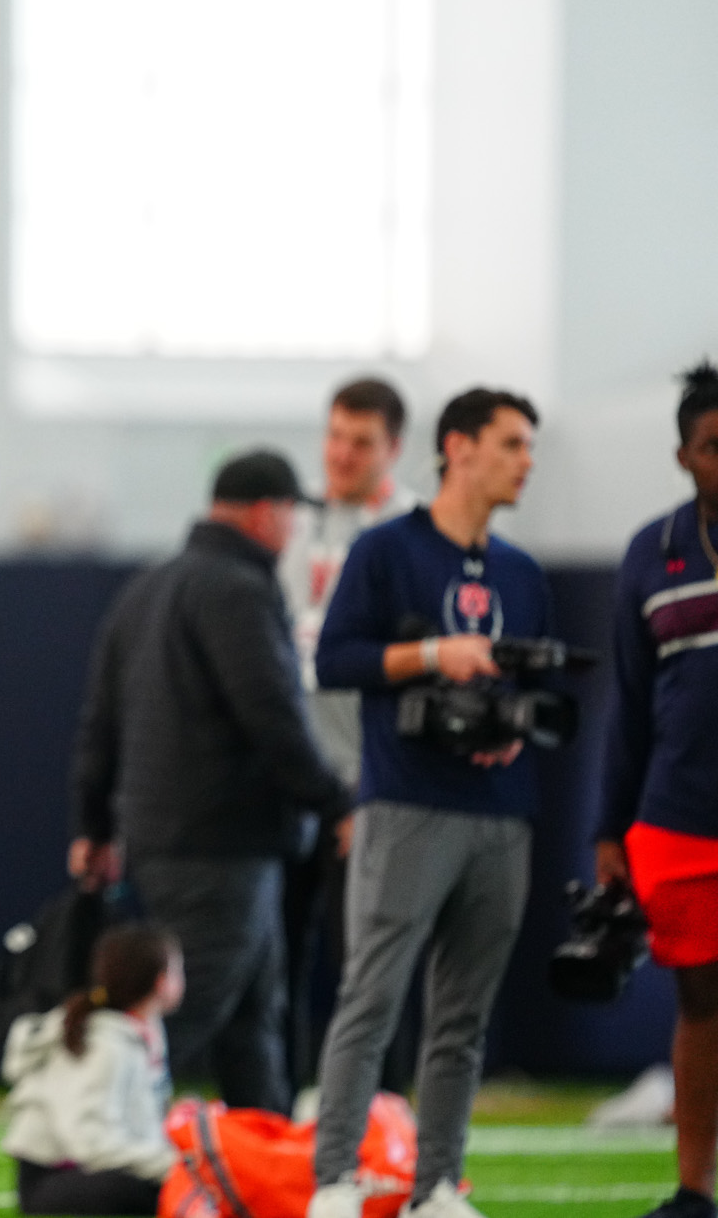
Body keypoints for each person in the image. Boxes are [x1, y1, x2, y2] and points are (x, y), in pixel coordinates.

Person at [306, 388, 552, 1218]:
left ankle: (437, 1187)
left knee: (462, 1018)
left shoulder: (522, 572)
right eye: (513, 444)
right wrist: (431, 655)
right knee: (370, 1000)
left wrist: (513, 730)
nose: (526, 461)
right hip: (406, 802)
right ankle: (333, 1180)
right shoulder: (384, 551)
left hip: (500, 811)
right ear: (460, 447)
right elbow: (335, 659)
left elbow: (538, 690)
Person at [71, 449, 353, 1114]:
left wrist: (92, 825)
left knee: (252, 1019)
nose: (291, 531)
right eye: (290, 515)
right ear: (266, 512)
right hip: (224, 841)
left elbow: (99, 721)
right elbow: (272, 713)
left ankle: (264, 1166)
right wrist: (336, 800)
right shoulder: (239, 589)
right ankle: (86, 1138)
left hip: (169, 835)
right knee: (190, 1009)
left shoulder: (147, 586)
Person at [594, 360, 718, 1218]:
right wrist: (608, 830)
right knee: (701, 1002)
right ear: (684, 456)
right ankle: (692, 1191)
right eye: (716, 446)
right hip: (678, 816)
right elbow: (628, 706)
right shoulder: (655, 551)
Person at [278, 379, 417, 1097]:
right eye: (334, 435)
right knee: (277, 967)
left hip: (369, 787)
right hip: (290, 785)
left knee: (367, 965)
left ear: (393, 448)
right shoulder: (292, 523)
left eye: (360, 441)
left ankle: (380, 1120)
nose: (341, 453)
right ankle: (285, 1119)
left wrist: (369, 789)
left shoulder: (413, 531)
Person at [1, 924, 184, 1217]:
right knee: (157, 1192)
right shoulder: (105, 1044)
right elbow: (89, 1142)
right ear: (161, 981)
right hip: (55, 1181)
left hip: (84, 1174)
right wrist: (172, 1165)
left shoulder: (143, 1033)